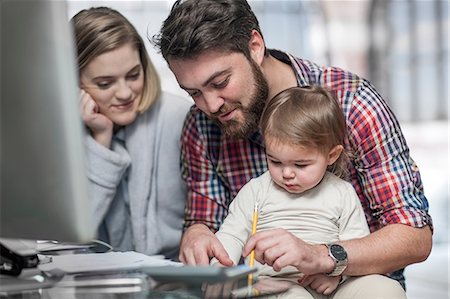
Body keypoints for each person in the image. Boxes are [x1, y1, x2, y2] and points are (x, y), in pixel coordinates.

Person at [152, 0, 433, 292]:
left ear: (255, 47)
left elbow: (414, 236)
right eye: (194, 92)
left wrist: (324, 257)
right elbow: (205, 221)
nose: (210, 105)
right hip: (268, 286)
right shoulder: (201, 125)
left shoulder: (352, 103)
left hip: (352, 282)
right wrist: (196, 234)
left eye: (221, 82)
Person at [211, 86, 405, 298]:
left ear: (331, 155)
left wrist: (336, 274)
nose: (286, 173)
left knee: (385, 289)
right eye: (275, 161)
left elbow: (355, 248)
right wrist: (220, 270)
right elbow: (231, 236)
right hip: (274, 284)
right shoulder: (256, 190)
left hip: (331, 283)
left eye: (300, 165)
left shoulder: (342, 193)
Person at [71, 7, 192, 260]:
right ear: (73, 82)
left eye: (133, 75)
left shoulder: (181, 117)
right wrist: (101, 141)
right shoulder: (64, 137)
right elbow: (71, 238)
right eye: (105, 83)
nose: (125, 93)